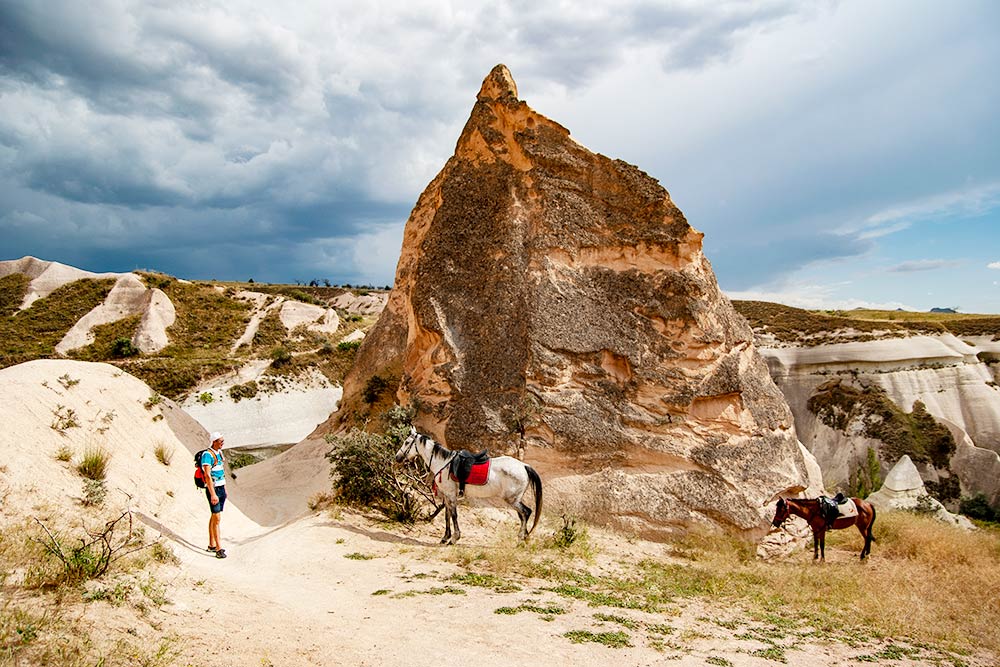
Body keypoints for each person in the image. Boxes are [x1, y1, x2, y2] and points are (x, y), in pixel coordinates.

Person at [202, 432, 228, 558]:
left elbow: (221, 472)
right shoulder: (207, 455)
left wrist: (224, 489)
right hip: (214, 490)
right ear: (214, 441)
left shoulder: (219, 453)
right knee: (217, 519)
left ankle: (211, 544)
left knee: (214, 517)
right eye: (221, 441)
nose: (223, 443)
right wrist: (213, 494)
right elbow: (207, 475)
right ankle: (219, 549)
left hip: (221, 488)